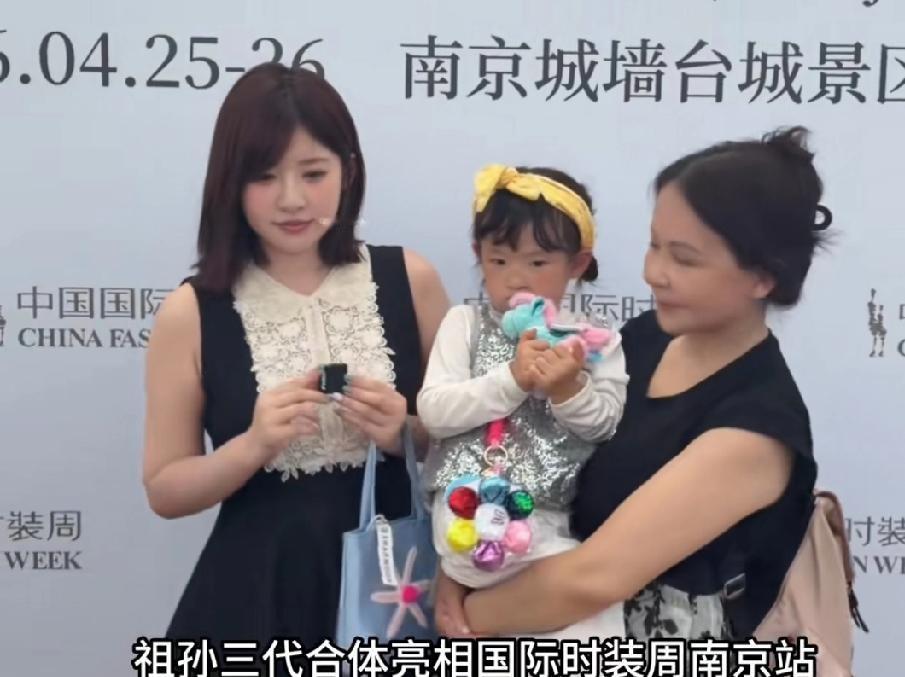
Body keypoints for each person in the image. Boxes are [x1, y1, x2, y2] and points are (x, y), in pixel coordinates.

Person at [434, 126, 828, 642]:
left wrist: (466, 617)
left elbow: (594, 579)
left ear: (763, 277)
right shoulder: (643, 339)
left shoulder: (755, 426)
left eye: (683, 258)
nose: (654, 273)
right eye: (654, 246)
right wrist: (464, 566)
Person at [141, 63, 449, 653]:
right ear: (230, 183)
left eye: (313, 173)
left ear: (348, 171)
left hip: (399, 590)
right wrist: (253, 445)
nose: (291, 200)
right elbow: (165, 487)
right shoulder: (192, 311)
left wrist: (405, 434)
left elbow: (479, 444)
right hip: (259, 595)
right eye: (263, 176)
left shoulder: (411, 279)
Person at [418, 164, 629, 639]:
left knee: (587, 611)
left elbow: (606, 425)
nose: (516, 278)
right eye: (498, 261)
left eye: (537, 264)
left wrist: (568, 390)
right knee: (590, 601)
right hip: (466, 512)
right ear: (478, 255)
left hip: (550, 517)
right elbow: (434, 413)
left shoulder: (595, 340)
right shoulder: (464, 324)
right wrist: (511, 379)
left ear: (577, 264)